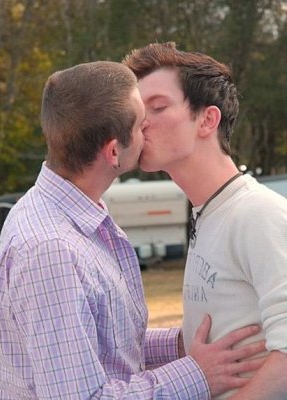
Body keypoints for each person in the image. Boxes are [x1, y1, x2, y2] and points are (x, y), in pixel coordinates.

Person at [0, 61, 265, 400]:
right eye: (140, 123)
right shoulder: (51, 250)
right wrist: (197, 375)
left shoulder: (71, 215)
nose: (149, 128)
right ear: (114, 151)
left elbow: (103, 344)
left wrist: (183, 344)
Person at [123, 42, 287, 399]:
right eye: (137, 111)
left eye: (158, 107)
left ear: (207, 120)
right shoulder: (209, 214)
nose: (141, 123)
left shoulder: (256, 213)